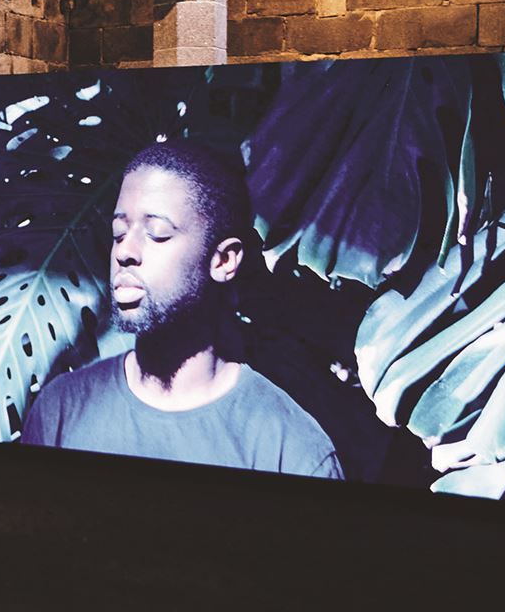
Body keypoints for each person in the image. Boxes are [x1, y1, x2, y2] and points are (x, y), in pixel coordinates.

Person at [21, 140, 343, 480]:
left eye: (157, 233)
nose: (125, 252)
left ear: (223, 260)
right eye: (118, 233)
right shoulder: (60, 410)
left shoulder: (289, 449)